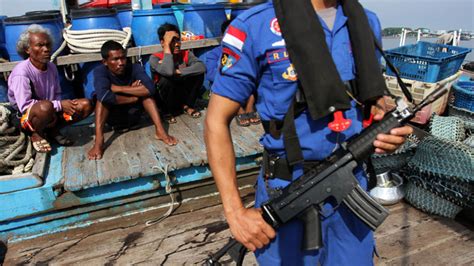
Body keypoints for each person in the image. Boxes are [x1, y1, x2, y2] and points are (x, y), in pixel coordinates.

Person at [204, 0, 413, 265]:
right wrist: (234, 212)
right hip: (288, 191)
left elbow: (372, 101)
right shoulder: (255, 25)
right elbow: (215, 121)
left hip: (351, 188)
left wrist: (386, 127)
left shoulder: (366, 21)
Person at [8, 24, 93, 153]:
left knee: (85, 105)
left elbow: (57, 93)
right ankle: (36, 134)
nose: (46, 49)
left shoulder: (51, 67)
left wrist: (55, 110)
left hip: (49, 112)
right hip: (26, 119)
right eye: (40, 45)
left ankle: (52, 130)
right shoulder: (22, 72)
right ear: (28, 50)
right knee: (45, 107)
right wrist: (57, 106)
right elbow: (24, 106)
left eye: (48, 45)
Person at [88, 40, 177, 160]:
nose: (121, 63)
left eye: (123, 58)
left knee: (148, 96)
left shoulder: (134, 67)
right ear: (104, 62)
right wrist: (133, 97)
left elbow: (150, 88)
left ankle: (160, 131)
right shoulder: (100, 71)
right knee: (101, 101)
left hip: (135, 116)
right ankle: (99, 141)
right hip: (114, 119)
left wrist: (118, 89)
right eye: (115, 59)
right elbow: (103, 95)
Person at [204, 20, 259, 127]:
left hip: (244, 85)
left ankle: (249, 108)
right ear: (223, 35)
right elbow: (210, 75)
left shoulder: (246, 52)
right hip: (224, 86)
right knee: (234, 82)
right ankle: (239, 111)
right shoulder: (213, 54)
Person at [149, 23, 206, 124]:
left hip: (181, 93)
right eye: (172, 41)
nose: (176, 44)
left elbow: (201, 67)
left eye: (178, 40)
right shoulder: (155, 58)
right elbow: (168, 72)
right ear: (162, 43)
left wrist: (178, 71)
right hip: (164, 98)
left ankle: (187, 106)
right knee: (165, 79)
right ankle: (166, 112)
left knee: (198, 74)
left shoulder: (185, 54)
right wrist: (167, 48)